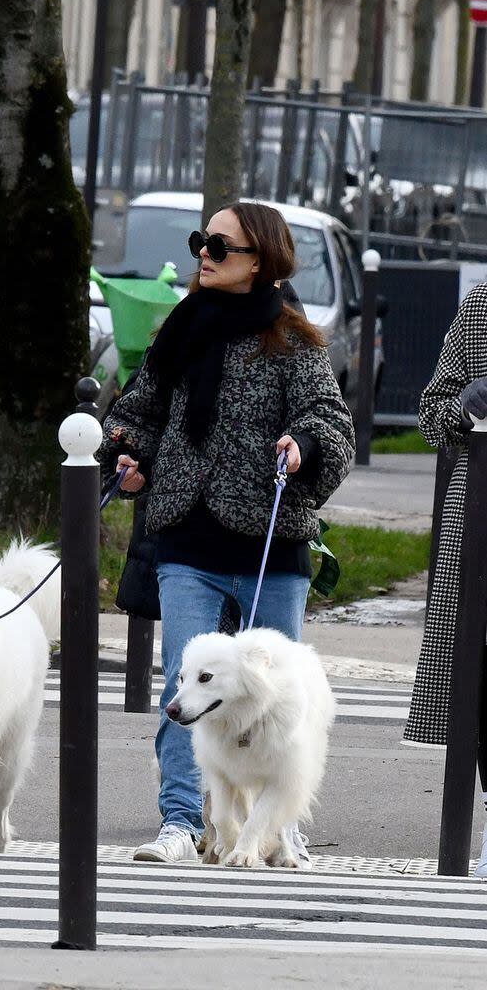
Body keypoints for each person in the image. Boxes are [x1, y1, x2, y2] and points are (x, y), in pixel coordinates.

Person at [98, 201, 355, 865]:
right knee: (185, 687)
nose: (203, 255)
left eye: (217, 244)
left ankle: (278, 821)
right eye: (199, 242)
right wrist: (127, 453)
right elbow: (138, 409)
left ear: (260, 261)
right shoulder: (180, 330)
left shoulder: (295, 344)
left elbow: (332, 423)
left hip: (270, 539)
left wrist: (303, 445)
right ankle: (182, 824)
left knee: (281, 695)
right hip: (185, 534)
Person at [403, 281, 487, 877]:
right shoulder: (483, 305)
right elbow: (432, 411)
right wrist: (466, 405)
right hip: (482, 516)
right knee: (480, 679)